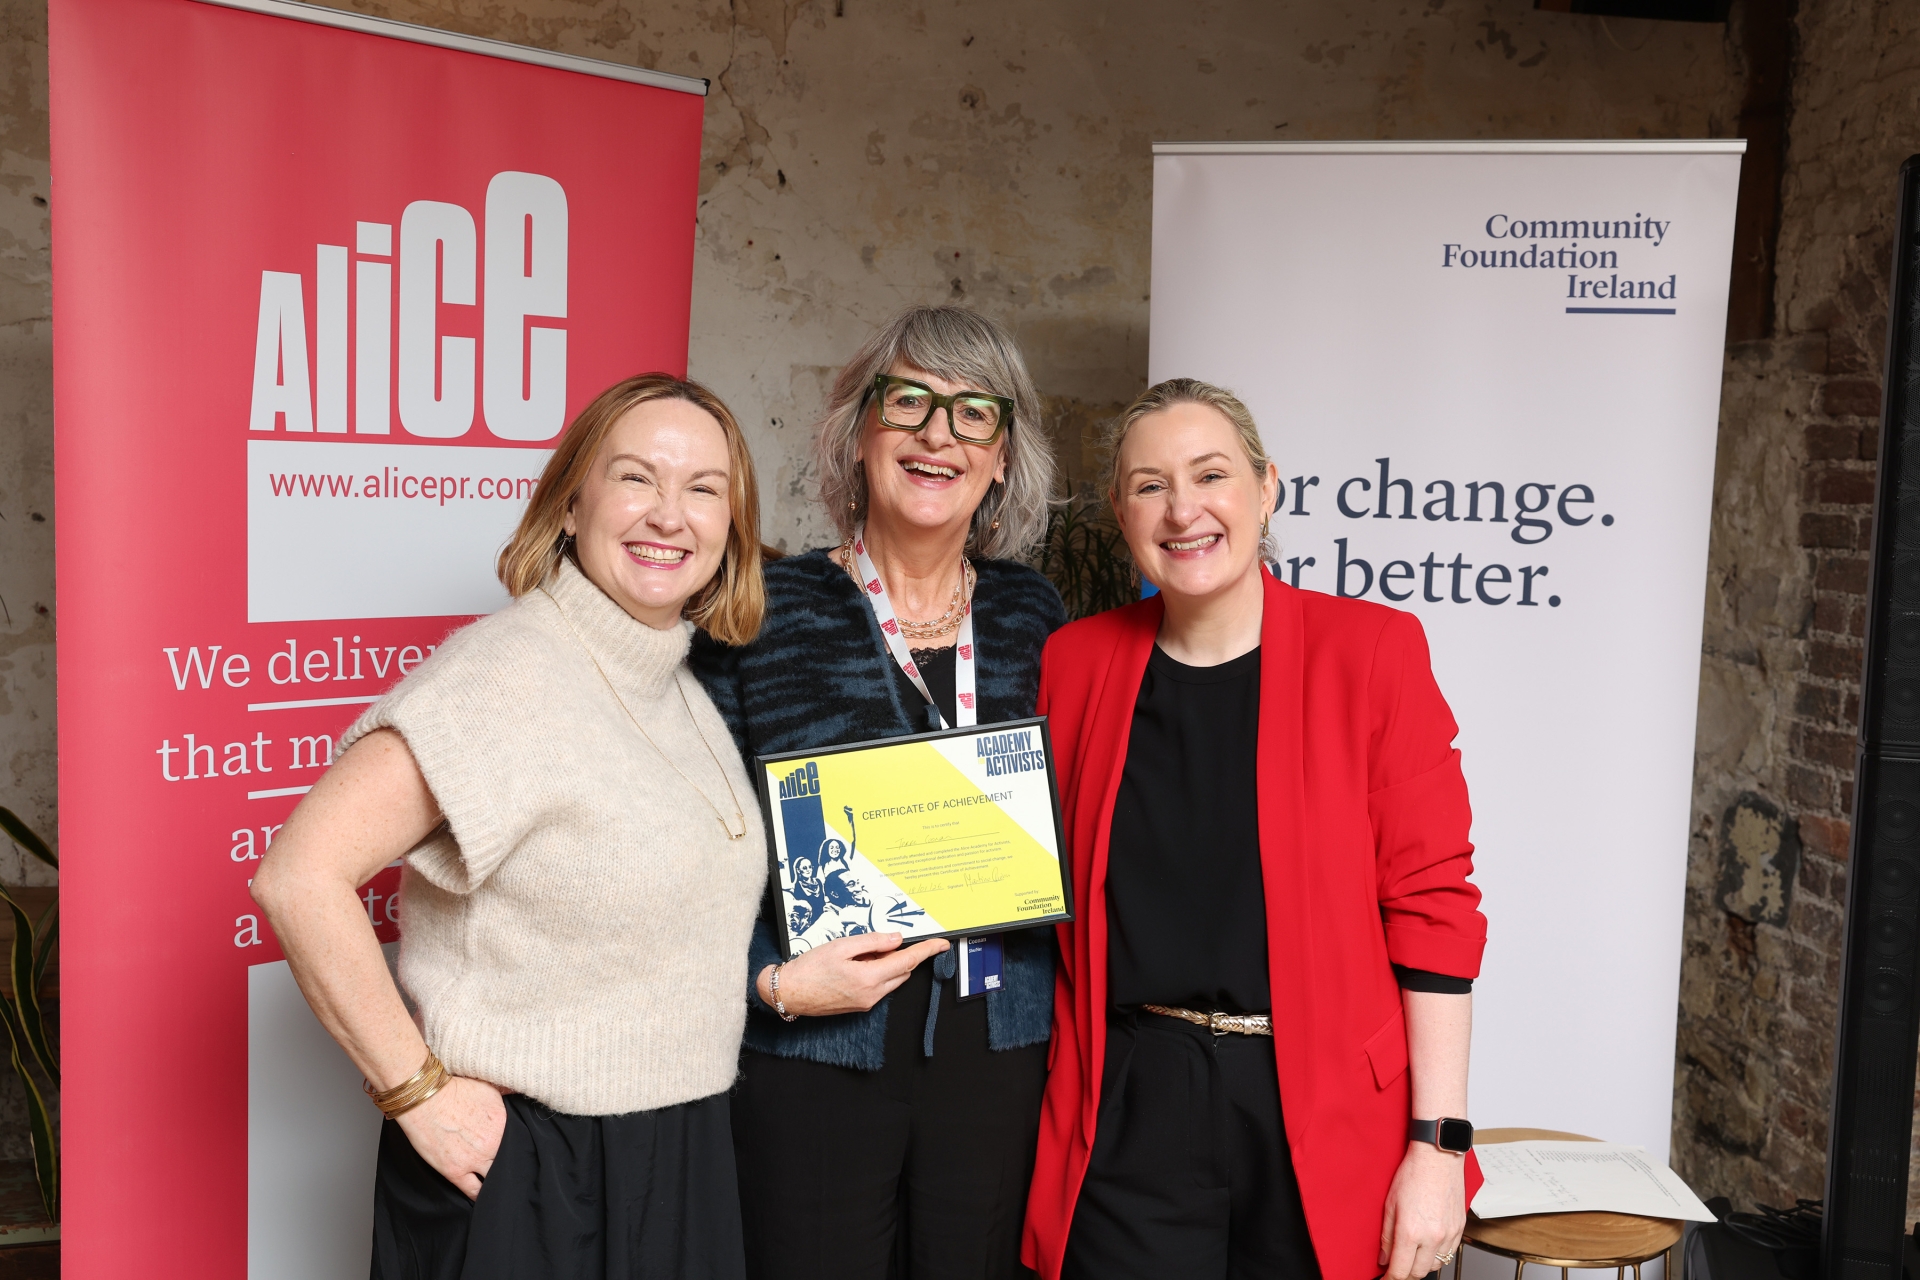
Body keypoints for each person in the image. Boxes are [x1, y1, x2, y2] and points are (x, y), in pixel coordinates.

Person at [250, 374, 770, 1280]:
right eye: (636, 478)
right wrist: (417, 1093)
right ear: (570, 504)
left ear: (731, 525)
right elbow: (300, 877)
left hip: (678, 1150)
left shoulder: (678, 688)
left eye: (703, 488)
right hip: (535, 1172)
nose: (669, 515)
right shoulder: (504, 674)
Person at [1020, 379, 1488, 1280]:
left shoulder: (1372, 653)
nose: (1182, 509)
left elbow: (1434, 910)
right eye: (1150, 485)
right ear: (1120, 510)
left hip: (1324, 1106)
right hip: (1130, 1105)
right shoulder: (1074, 664)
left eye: (1211, 475)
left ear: (1268, 488)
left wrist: (1438, 1146)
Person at [692, 305, 1066, 1279]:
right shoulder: (760, 612)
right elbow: (689, 851)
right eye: (909, 402)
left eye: (973, 413)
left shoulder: (1036, 616)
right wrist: (770, 984)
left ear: (1001, 457)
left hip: (999, 1047)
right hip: (816, 1051)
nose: (939, 434)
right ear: (859, 432)